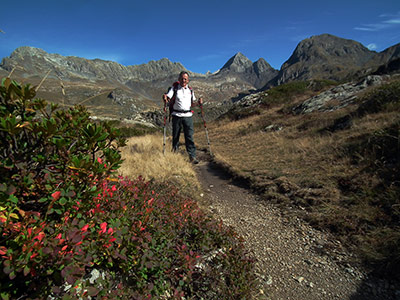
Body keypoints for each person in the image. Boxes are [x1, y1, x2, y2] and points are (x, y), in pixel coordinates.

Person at [163, 71, 203, 164]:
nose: (183, 80)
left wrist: (199, 103)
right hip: (176, 116)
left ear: (188, 80)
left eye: (185, 79)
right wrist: (165, 97)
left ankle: (192, 156)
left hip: (188, 116)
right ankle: (175, 156)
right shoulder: (174, 89)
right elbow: (168, 97)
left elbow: (192, 104)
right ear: (179, 79)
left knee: (189, 136)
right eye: (182, 78)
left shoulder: (191, 91)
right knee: (176, 136)